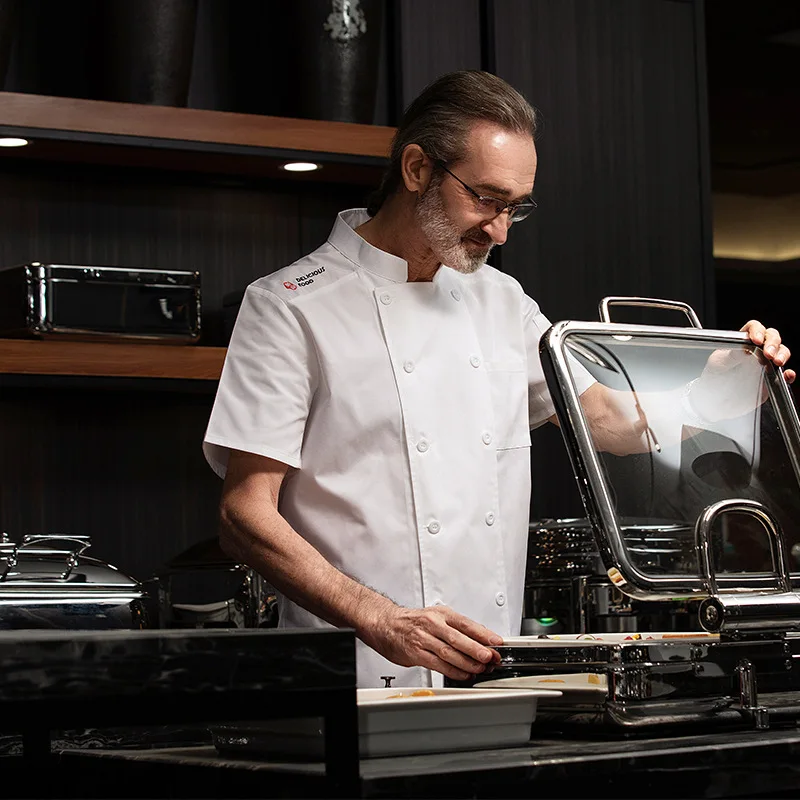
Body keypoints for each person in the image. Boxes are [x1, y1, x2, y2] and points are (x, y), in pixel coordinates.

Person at [202, 71, 794, 688]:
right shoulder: (290, 306)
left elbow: (610, 424)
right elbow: (245, 515)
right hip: (352, 673)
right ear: (416, 169)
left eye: (515, 207)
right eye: (485, 199)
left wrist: (726, 385)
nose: (500, 229)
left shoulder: (501, 301)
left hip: (492, 671)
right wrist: (380, 619)